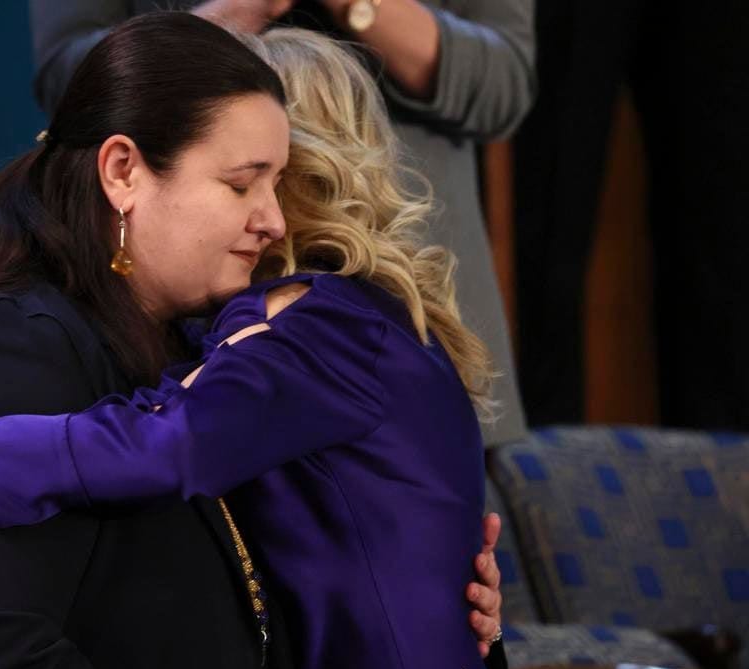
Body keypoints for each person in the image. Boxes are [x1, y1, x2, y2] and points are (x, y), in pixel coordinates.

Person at [0, 22, 508, 669]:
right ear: (123, 169)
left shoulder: (325, 324)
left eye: (277, 179)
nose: (269, 217)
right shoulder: (74, 337)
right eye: (243, 180)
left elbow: (167, 442)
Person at [30, 0, 533, 449]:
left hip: (398, 272)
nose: (272, 215)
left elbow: (506, 85)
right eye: (247, 180)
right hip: (180, 308)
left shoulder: (340, 323)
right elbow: (75, 83)